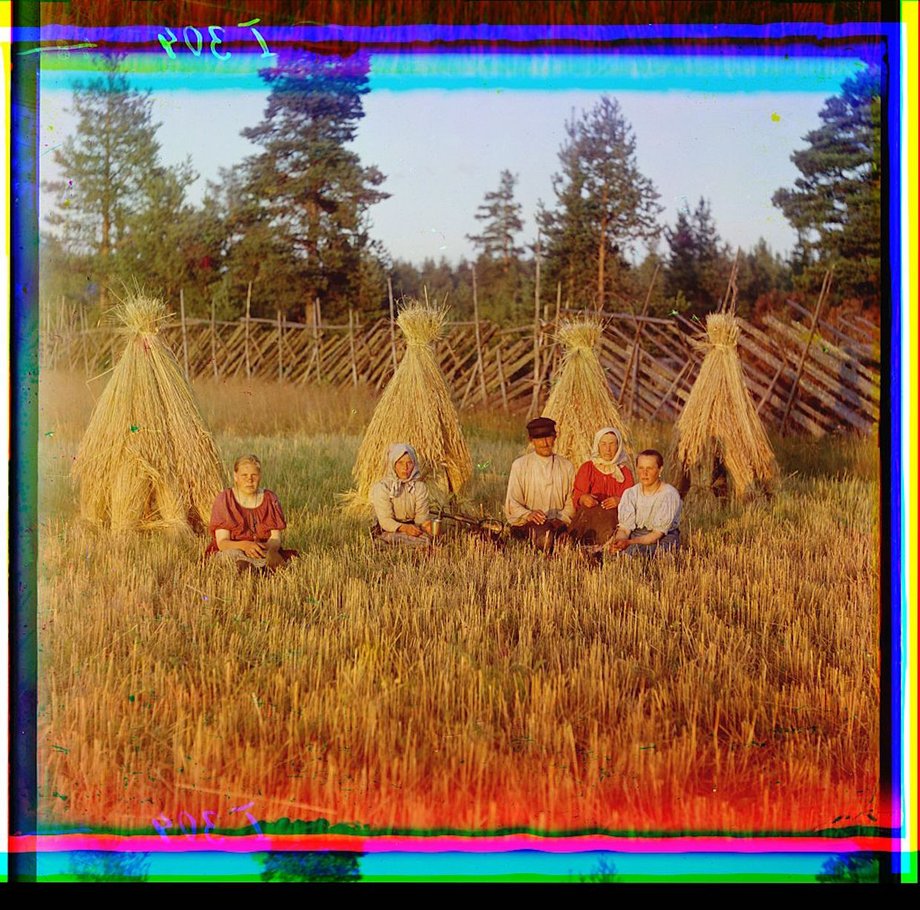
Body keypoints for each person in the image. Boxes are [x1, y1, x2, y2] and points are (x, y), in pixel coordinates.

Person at [205, 454, 298, 571]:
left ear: (260, 476)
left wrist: (260, 549)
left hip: (263, 550)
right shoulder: (225, 499)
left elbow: (275, 539)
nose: (249, 479)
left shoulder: (270, 499)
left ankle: (261, 569)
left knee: (274, 559)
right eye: (244, 475)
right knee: (235, 560)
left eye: (254, 475)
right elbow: (222, 543)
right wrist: (245, 545)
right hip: (234, 550)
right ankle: (250, 570)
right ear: (235, 476)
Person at [504, 416, 575, 552]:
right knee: (545, 539)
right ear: (531, 440)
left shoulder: (566, 466)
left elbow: (571, 501)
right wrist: (528, 514)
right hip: (529, 523)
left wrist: (560, 519)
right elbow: (512, 502)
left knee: (568, 543)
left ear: (555, 437)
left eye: (548, 437)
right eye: (539, 439)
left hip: (559, 523)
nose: (544, 443)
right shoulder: (520, 465)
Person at [568, 426, 634, 547]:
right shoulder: (587, 468)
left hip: (613, 519)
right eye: (603, 444)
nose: (608, 449)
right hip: (589, 516)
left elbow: (632, 499)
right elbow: (577, 494)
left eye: (612, 444)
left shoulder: (625, 472)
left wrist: (619, 501)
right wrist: (584, 498)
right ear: (597, 446)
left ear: (618, 446)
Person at [608, 449, 682, 556]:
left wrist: (629, 542)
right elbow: (625, 529)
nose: (644, 473)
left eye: (650, 468)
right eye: (641, 468)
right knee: (624, 555)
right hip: (637, 535)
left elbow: (657, 534)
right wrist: (619, 542)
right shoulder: (630, 493)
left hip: (663, 536)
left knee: (658, 556)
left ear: (660, 470)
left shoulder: (669, 494)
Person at [370, 443, 434, 548]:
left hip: (412, 528)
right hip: (389, 529)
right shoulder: (382, 487)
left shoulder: (419, 487)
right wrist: (404, 528)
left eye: (409, 463)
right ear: (393, 464)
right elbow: (385, 520)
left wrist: (421, 527)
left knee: (428, 538)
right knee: (422, 542)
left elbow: (421, 516)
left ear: (414, 464)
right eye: (400, 463)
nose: (405, 468)